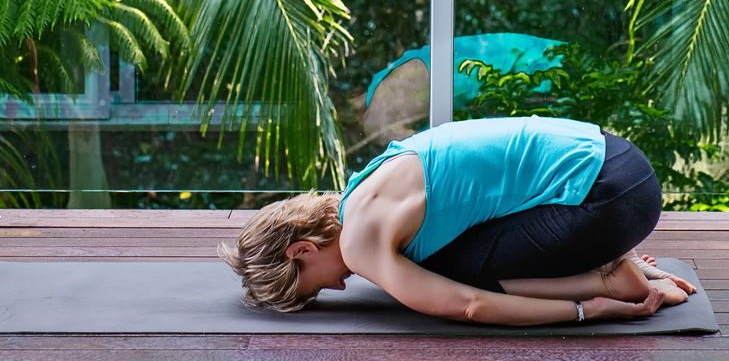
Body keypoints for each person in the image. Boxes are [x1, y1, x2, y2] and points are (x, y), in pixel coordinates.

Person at [219, 115, 696, 325]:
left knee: (447, 274)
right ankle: (621, 258)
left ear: (301, 249)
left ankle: (608, 279)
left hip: (607, 201)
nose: (341, 289)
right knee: (442, 252)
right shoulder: (365, 185)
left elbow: (469, 306)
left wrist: (588, 311)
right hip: (623, 163)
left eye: (316, 286)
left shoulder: (362, 243)